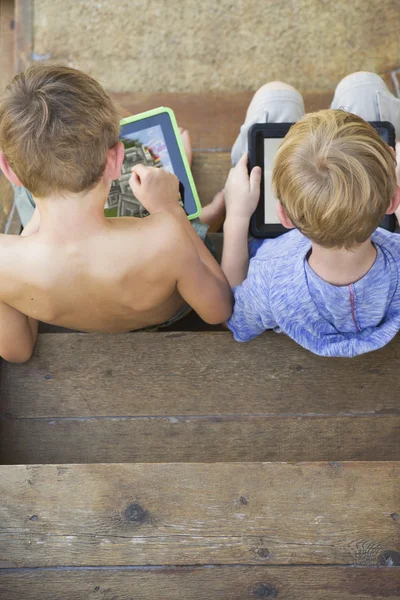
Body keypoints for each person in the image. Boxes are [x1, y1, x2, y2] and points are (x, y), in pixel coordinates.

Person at [0, 65, 231, 363]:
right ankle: (203, 220)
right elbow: (219, 310)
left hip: (75, 315)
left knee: (28, 197)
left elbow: (17, 352)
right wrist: (170, 209)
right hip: (164, 309)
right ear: (116, 160)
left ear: (8, 170)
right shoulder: (165, 236)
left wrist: (26, 252)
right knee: (186, 227)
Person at [222, 72, 400, 357]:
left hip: (277, 239)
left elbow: (236, 319)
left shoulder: (271, 280)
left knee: (276, 95)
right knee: (363, 85)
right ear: (392, 202)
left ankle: (234, 182)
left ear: (284, 216)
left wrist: (236, 217)